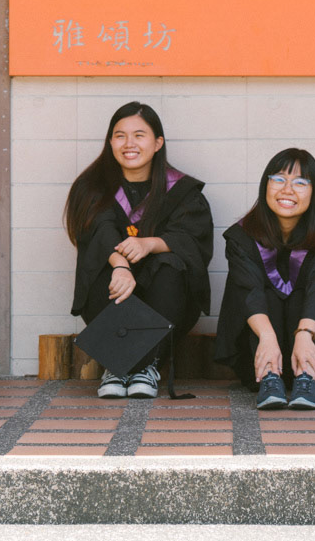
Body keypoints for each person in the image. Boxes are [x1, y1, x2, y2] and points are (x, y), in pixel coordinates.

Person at [65, 101, 214, 400]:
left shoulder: (181, 190)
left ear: (158, 143)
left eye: (139, 135)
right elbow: (98, 231)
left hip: (167, 298)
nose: (129, 144)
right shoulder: (92, 186)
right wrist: (120, 264)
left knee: (171, 267)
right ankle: (118, 365)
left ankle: (144, 365)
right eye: (120, 136)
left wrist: (149, 244)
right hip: (113, 287)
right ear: (110, 142)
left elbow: (191, 237)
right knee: (102, 269)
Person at [215, 148, 315, 410]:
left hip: (314, 351)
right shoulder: (241, 238)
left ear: (314, 193)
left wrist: (304, 334)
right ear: (265, 185)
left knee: (309, 293)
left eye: (300, 182)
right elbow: (248, 291)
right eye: (279, 179)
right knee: (262, 291)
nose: (287, 190)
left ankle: (306, 377)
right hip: (257, 352)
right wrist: (267, 338)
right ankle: (270, 376)